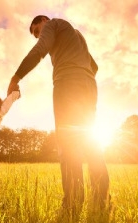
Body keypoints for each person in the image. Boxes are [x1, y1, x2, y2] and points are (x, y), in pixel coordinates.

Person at [7, 15, 110, 210]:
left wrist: (16, 77)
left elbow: (40, 50)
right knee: (91, 143)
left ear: (44, 21)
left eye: (38, 31)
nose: (39, 36)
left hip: (67, 84)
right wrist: (82, 76)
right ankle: (102, 201)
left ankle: (72, 204)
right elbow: (94, 66)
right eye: (36, 34)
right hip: (88, 85)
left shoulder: (53, 24)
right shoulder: (76, 34)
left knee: (69, 143)